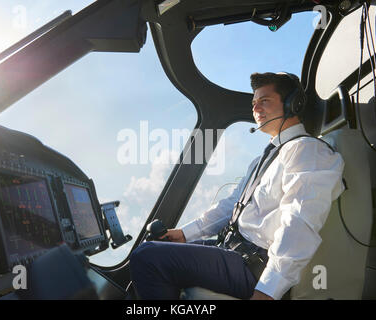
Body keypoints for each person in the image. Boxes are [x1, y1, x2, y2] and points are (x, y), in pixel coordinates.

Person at [129, 72, 345, 300]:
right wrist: (185, 234)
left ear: (294, 104)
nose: (256, 109)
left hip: (255, 266)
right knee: (154, 248)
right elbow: (231, 205)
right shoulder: (265, 158)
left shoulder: (308, 151)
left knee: (147, 257)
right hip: (232, 249)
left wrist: (267, 291)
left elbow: (299, 223)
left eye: (264, 101)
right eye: (254, 103)